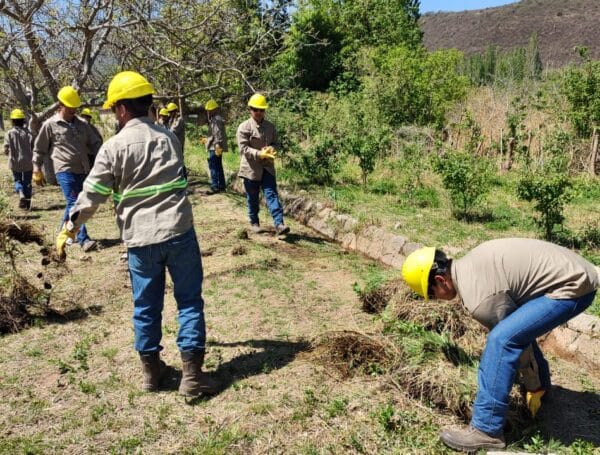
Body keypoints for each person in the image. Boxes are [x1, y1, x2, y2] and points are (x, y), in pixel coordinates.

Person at [56, 71, 219, 397]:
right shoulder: (168, 139)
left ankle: (150, 374)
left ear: (119, 109)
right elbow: (179, 181)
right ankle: (192, 377)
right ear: (147, 104)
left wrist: (69, 228)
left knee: (145, 307)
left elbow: (90, 196)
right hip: (179, 232)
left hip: (140, 241)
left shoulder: (112, 148)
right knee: (188, 302)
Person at [401, 238, 600, 452]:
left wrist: (533, 385)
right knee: (513, 330)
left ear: (441, 280)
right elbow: (520, 331)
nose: (435, 300)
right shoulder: (469, 265)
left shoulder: (480, 299)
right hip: (574, 271)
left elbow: (513, 343)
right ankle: (545, 390)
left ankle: (486, 430)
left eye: (431, 295)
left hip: (574, 285)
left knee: (501, 340)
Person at [32, 86, 102, 252]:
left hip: (83, 170)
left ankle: (63, 234)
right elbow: (39, 148)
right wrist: (36, 168)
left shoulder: (83, 125)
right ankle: (83, 239)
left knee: (79, 203)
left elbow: (96, 143)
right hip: (64, 170)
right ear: (60, 105)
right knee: (74, 203)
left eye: (75, 108)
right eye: (69, 107)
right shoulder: (50, 125)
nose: (73, 110)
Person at [236, 93, 289, 236]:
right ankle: (254, 222)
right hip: (251, 169)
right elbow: (243, 149)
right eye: (255, 109)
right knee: (252, 198)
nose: (259, 112)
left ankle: (279, 224)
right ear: (250, 109)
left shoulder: (270, 127)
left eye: (261, 110)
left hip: (267, 168)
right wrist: (259, 153)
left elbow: (275, 143)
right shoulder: (244, 127)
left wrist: (272, 149)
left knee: (271, 195)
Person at [3, 108, 33, 209]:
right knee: (27, 182)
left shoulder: (9, 133)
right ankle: (27, 204)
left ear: (12, 121)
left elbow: (6, 148)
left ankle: (20, 192)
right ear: (23, 120)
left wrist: (8, 153)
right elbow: (34, 146)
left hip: (15, 161)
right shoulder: (28, 133)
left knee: (17, 180)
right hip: (28, 161)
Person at [203, 99, 227, 194]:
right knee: (218, 166)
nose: (208, 112)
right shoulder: (216, 119)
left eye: (209, 110)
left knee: (213, 165)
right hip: (217, 145)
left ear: (214, 110)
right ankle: (221, 185)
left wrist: (216, 146)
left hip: (216, 146)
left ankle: (215, 186)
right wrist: (207, 140)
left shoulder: (216, 120)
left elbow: (218, 135)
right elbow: (214, 134)